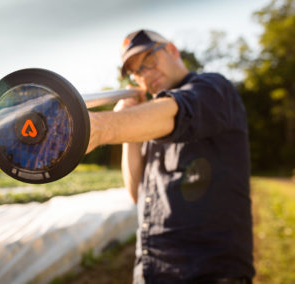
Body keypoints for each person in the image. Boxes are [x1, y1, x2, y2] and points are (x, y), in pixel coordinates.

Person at [86, 29, 255, 283]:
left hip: (208, 273)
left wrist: (99, 128)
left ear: (172, 50)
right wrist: (128, 138)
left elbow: (176, 110)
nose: (145, 74)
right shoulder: (148, 121)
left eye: (149, 61)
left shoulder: (212, 89)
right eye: (136, 72)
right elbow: (137, 194)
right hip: (151, 272)